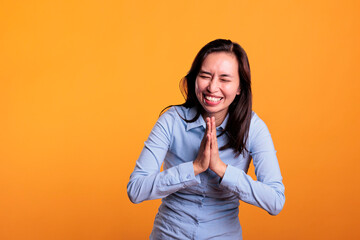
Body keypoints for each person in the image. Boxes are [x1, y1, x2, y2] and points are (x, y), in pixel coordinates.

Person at [127, 39, 285, 239]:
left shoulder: (254, 128)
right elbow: (136, 189)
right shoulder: (172, 121)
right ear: (195, 79)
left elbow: (275, 201)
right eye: (205, 76)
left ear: (239, 88)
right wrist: (194, 167)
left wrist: (221, 169)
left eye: (225, 79)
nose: (212, 87)